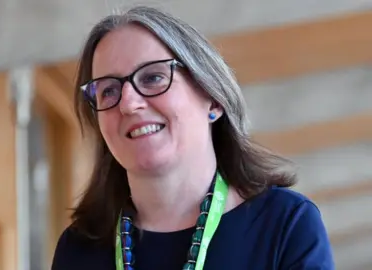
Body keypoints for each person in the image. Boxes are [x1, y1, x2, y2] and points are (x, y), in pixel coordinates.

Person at [51, 6, 334, 270]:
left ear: (213, 100)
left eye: (152, 78)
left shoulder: (285, 223)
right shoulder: (78, 249)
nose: (128, 103)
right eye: (108, 90)